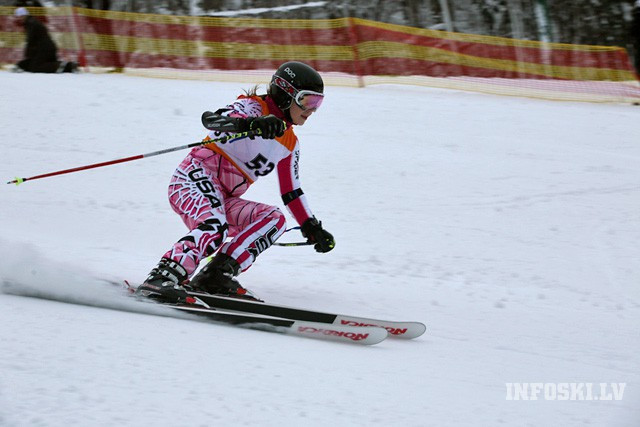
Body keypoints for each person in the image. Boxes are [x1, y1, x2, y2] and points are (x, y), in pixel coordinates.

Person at [137, 61, 336, 303]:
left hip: (223, 199)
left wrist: (311, 227)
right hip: (191, 180)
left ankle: (216, 275)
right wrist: (251, 124)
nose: (312, 109)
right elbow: (212, 120)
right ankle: (162, 276)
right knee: (214, 224)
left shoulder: (289, 143)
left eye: (318, 103)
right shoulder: (251, 107)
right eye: (308, 101)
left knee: (273, 219)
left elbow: (291, 191)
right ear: (286, 94)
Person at [13, 7, 78, 73]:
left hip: (44, 49)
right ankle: (70, 66)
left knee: (35, 67)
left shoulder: (31, 23)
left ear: (23, 15)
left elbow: (30, 40)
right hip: (48, 48)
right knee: (44, 64)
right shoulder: (32, 21)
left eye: (19, 16)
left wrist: (27, 54)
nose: (19, 19)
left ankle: (60, 66)